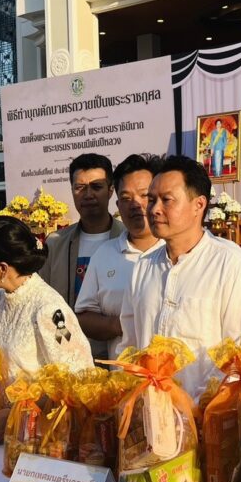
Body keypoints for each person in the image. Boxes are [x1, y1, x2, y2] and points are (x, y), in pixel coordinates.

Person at [118, 155, 241, 396]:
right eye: (152, 200)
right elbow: (129, 346)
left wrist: (202, 406)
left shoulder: (226, 262)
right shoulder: (143, 267)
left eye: (167, 200)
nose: (154, 209)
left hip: (207, 410)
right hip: (151, 409)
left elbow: (239, 352)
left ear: (199, 205)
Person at [0, 216, 93, 444]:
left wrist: (16, 412)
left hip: (45, 438)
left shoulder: (49, 309)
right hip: (9, 435)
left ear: (2, 268)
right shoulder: (0, 301)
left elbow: (76, 379)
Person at [74, 153, 165, 361]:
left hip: (175, 377)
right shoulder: (104, 254)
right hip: (123, 375)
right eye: (126, 198)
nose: (135, 204)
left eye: (144, 195)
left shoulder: (175, 252)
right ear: (117, 204)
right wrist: (120, 324)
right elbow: (83, 317)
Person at [40, 154, 124, 314]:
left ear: (111, 190)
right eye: (80, 187)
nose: (88, 194)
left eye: (96, 187)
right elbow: (42, 299)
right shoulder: (55, 244)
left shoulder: (128, 238)